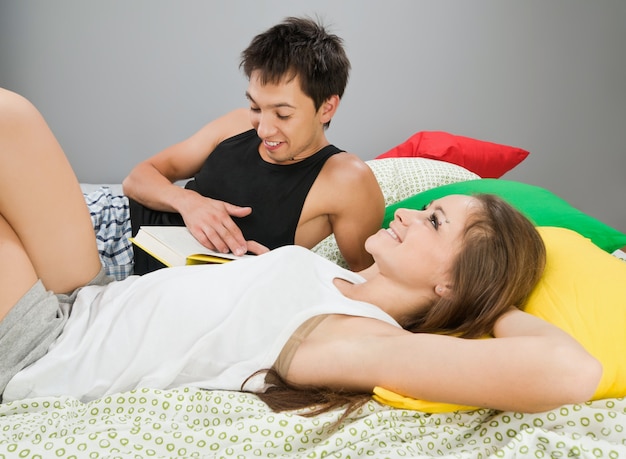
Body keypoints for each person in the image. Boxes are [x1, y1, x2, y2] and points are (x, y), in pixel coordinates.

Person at [0, 88, 601, 414]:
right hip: (88, 300)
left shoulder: (353, 338)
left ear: (454, 281)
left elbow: (570, 372)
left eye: (435, 221)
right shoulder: (330, 278)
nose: (411, 213)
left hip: (42, 351)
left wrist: (492, 305)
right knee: (12, 121)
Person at [114, 16, 384, 276]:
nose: (263, 129)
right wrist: (189, 202)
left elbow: (368, 284)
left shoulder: (348, 181)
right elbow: (136, 179)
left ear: (327, 108)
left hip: (140, 274)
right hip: (115, 221)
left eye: (283, 114)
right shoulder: (237, 124)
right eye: (256, 107)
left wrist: (277, 273)